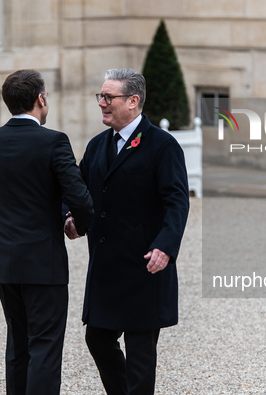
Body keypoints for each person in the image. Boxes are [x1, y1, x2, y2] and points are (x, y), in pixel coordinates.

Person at [64, 68, 189, 394]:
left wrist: (166, 245)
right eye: (100, 97)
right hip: (106, 268)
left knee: (140, 357)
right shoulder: (96, 146)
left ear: (133, 101)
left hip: (145, 267)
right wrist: (70, 216)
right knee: (97, 339)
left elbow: (177, 201)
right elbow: (79, 191)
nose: (102, 103)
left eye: (109, 97)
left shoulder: (162, 146)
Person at [0, 69, 94, 394]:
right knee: (45, 347)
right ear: (40, 99)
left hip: (4, 259)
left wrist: (10, 216)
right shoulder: (53, 141)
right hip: (43, 260)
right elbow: (80, 199)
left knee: (18, 343)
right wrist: (74, 224)